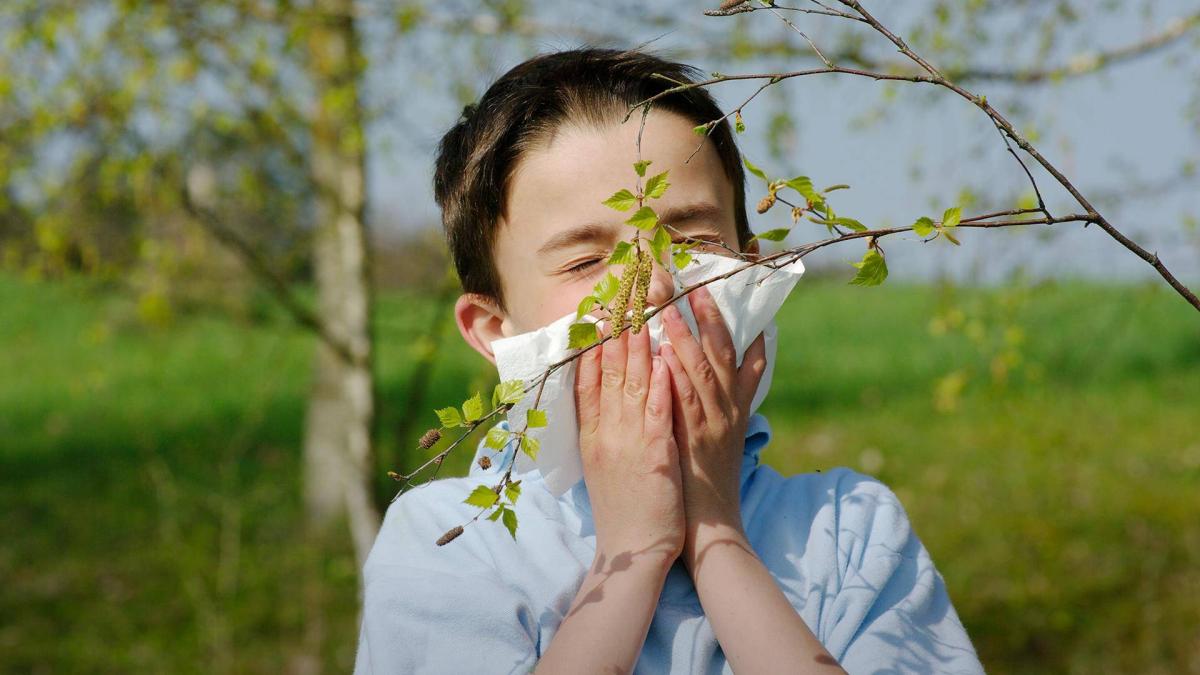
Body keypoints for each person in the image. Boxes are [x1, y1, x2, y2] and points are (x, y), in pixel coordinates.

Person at [354, 48, 985, 674]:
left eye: (693, 241)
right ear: (495, 331)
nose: (653, 286)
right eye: (584, 262)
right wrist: (630, 556)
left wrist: (718, 536)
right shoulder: (452, 544)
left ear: (752, 272)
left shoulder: (850, 533)